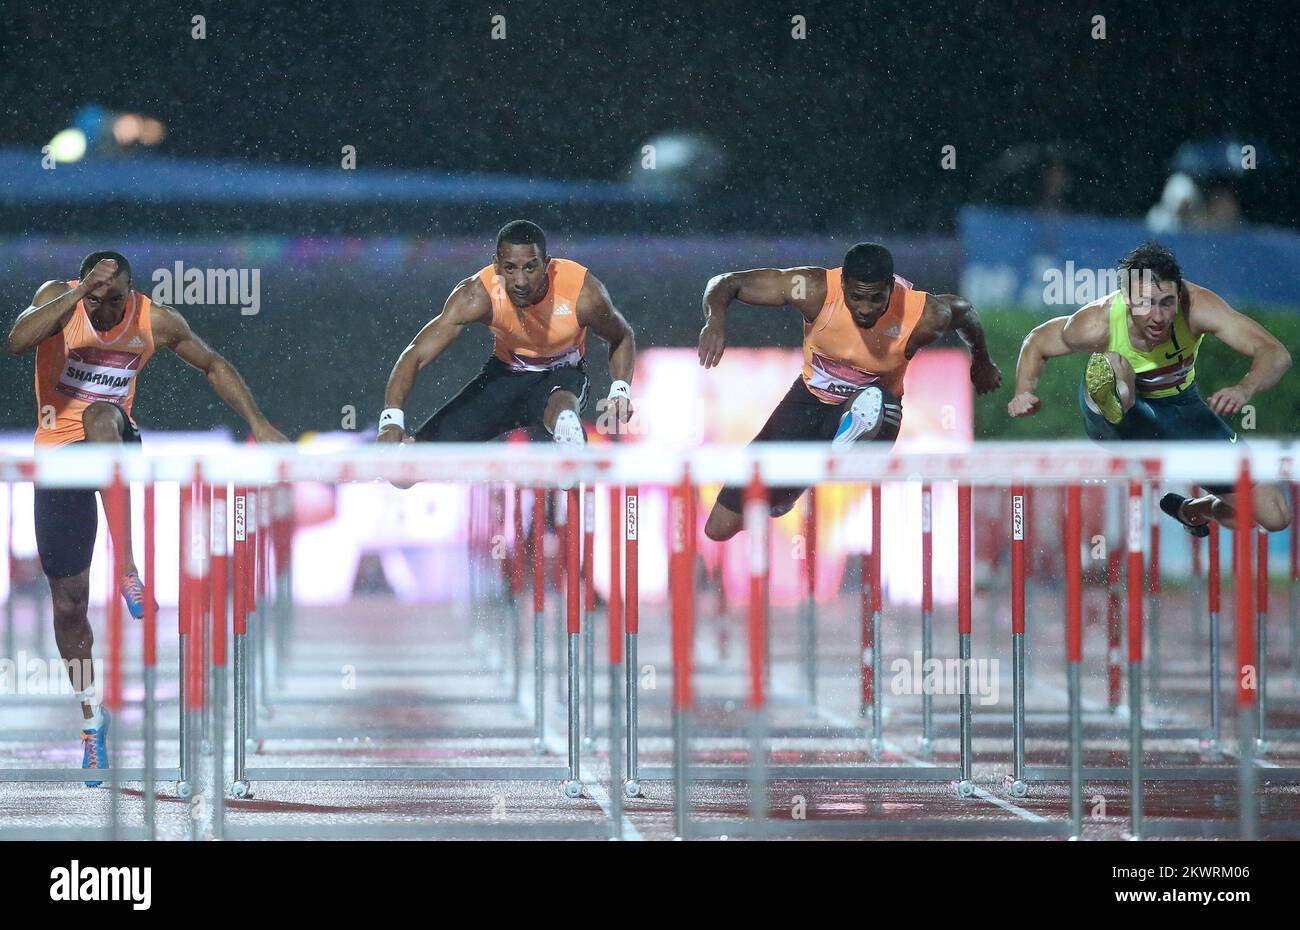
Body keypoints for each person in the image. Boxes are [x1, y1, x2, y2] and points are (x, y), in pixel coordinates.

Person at [8, 251, 288, 785]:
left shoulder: (153, 319)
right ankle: (92, 721)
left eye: (116, 300)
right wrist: (76, 298)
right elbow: (18, 341)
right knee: (68, 605)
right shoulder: (57, 299)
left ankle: (129, 569)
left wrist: (258, 422)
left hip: (115, 433)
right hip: (56, 457)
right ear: (83, 289)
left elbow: (212, 363)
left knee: (99, 415)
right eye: (97, 300)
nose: (108, 312)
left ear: (132, 292)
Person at [698, 242, 1002, 541]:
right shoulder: (814, 290)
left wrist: (982, 361)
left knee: (872, 399)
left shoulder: (922, 313)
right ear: (842, 282)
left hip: (879, 411)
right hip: (808, 401)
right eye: (856, 298)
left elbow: (966, 314)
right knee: (719, 528)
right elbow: (727, 282)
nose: (865, 309)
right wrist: (715, 320)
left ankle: (845, 448)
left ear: (891, 290)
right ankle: (784, 494)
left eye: (876, 299)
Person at [1008, 240, 1292, 534]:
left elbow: (1275, 353)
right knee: (1115, 364)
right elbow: (1037, 341)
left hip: (1182, 409)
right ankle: (1115, 401)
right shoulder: (1096, 322)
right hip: (1120, 417)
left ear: (1178, 294)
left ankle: (1191, 510)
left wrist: (1244, 388)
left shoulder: (1198, 306)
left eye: (1167, 303)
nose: (1158, 316)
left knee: (1272, 516)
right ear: (1127, 298)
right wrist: (1023, 391)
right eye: (1145, 303)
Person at [377, 221, 636, 457]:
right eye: (510, 269)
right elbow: (416, 354)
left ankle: (567, 436)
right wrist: (391, 418)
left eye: (530, 268)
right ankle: (564, 432)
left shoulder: (583, 294)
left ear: (547, 264)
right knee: (405, 470)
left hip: (561, 375)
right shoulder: (477, 294)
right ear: (496, 265)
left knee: (562, 406)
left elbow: (622, 336)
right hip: (503, 379)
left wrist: (620, 389)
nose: (520, 281)